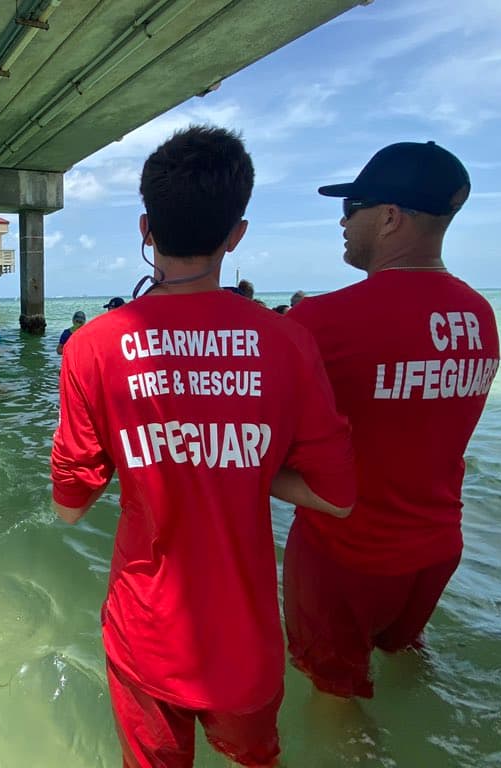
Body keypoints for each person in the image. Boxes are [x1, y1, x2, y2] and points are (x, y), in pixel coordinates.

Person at [50, 126, 356, 768]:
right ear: (235, 234)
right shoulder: (288, 341)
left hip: (144, 634)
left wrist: (153, 451)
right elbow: (336, 497)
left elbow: (70, 507)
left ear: (146, 230)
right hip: (245, 646)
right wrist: (245, 463)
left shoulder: (91, 347)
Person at [285, 141, 501, 701]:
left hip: (347, 557)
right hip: (436, 551)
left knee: (335, 697)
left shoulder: (322, 320)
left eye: (351, 207)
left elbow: (253, 428)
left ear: (388, 217)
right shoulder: (479, 315)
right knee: (403, 652)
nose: (342, 221)